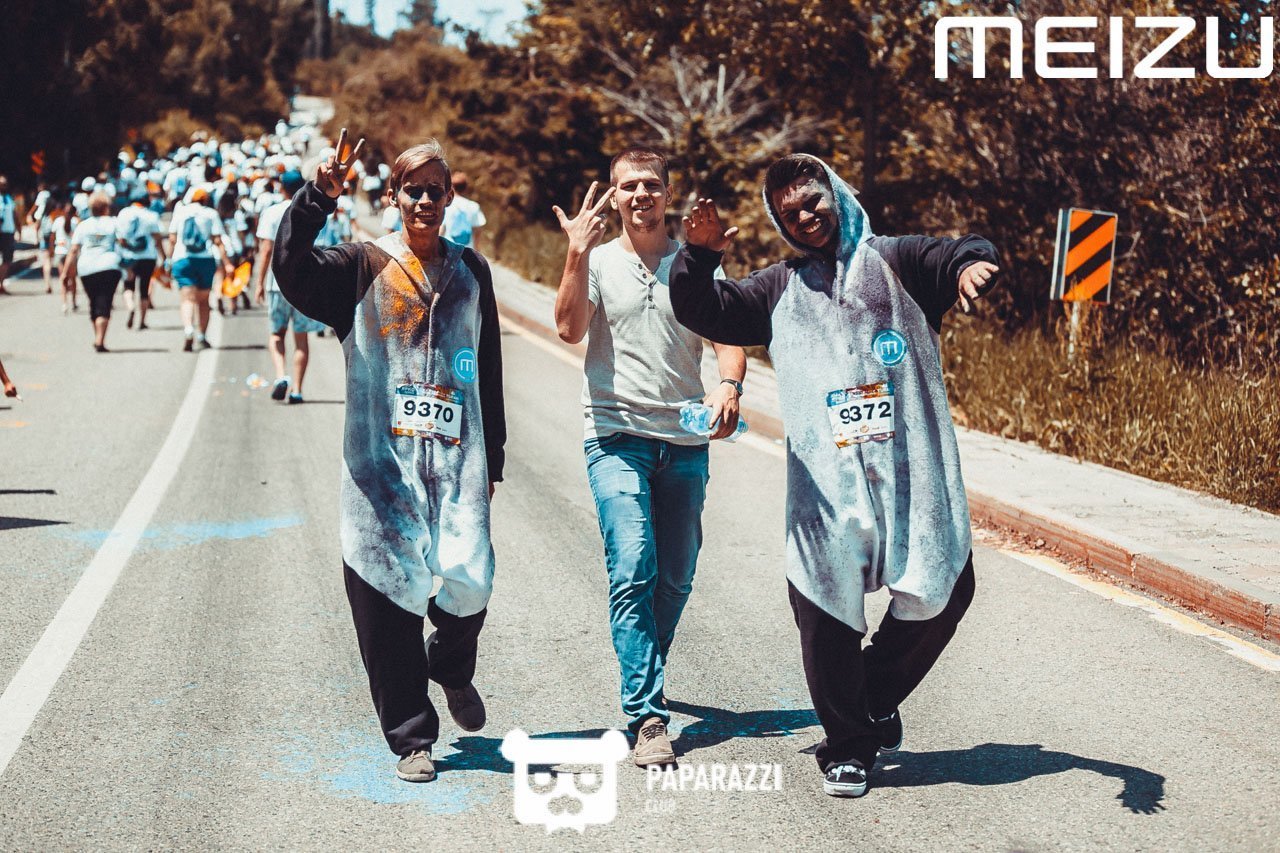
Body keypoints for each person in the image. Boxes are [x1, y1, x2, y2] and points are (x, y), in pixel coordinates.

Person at [669, 153, 999, 798]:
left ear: (836, 193)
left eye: (812, 201)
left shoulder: (897, 261)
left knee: (944, 590)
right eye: (789, 212)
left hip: (912, 478)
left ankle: (869, 699)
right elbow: (707, 310)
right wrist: (699, 257)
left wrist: (969, 266)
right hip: (825, 490)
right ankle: (847, 748)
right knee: (824, 612)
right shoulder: (777, 288)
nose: (805, 216)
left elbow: (959, 250)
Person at [272, 131, 506, 784]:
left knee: (472, 579)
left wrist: (495, 458)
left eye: (436, 190)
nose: (425, 200)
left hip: (457, 465)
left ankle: (450, 665)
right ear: (393, 197)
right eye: (413, 190)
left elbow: (488, 367)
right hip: (380, 468)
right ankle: (412, 737)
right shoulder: (360, 265)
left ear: (450, 197)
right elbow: (290, 270)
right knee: (386, 594)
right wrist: (316, 199)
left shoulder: (472, 272)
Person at [552, 146, 747, 767]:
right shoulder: (597, 261)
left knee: (676, 576)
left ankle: (646, 664)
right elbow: (568, 329)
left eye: (651, 185)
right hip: (616, 436)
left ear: (668, 193)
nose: (641, 195)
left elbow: (728, 337)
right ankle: (647, 716)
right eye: (629, 186)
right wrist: (576, 253)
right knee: (633, 566)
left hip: (685, 441)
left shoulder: (695, 265)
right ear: (614, 195)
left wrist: (729, 385)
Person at [252, 170, 326, 404]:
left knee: (277, 333)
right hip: (305, 283)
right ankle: (297, 390)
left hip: (277, 284)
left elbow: (266, 250)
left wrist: (259, 282)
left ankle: (280, 375)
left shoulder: (272, 212)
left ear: (281, 188)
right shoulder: (312, 211)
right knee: (301, 339)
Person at [168, 187, 234, 351]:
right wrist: (227, 263)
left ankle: (188, 329)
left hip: (182, 259)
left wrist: (168, 260)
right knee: (204, 301)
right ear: (206, 200)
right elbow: (218, 241)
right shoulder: (211, 214)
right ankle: (202, 335)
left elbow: (172, 239)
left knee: (187, 298)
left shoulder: (180, 212)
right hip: (205, 259)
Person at [62, 192, 123, 352]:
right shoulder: (113, 223)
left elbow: (73, 250)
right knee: (105, 301)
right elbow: (123, 241)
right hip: (109, 265)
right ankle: (100, 340)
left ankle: (98, 337)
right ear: (106, 207)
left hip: (87, 268)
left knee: (93, 301)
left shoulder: (83, 225)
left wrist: (65, 273)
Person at [115, 189, 166, 330]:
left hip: (128, 256)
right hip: (147, 256)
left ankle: (131, 306)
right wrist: (163, 256)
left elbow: (120, 238)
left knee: (128, 285)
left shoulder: (123, 213)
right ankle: (142, 321)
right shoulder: (151, 215)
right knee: (144, 288)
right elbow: (157, 238)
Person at [440, 171, 485, 249]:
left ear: (451, 187)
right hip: (467, 251)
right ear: (465, 188)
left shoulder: (446, 205)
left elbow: (441, 229)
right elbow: (477, 231)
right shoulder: (473, 206)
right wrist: (476, 250)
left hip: (448, 249)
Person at [0, 176, 16, 295]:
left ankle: (1, 283)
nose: (3, 186)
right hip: (1, 233)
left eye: (5, 184)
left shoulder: (9, 198)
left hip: (9, 232)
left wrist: (18, 229)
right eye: (1, 184)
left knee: (7, 260)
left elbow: (14, 214)